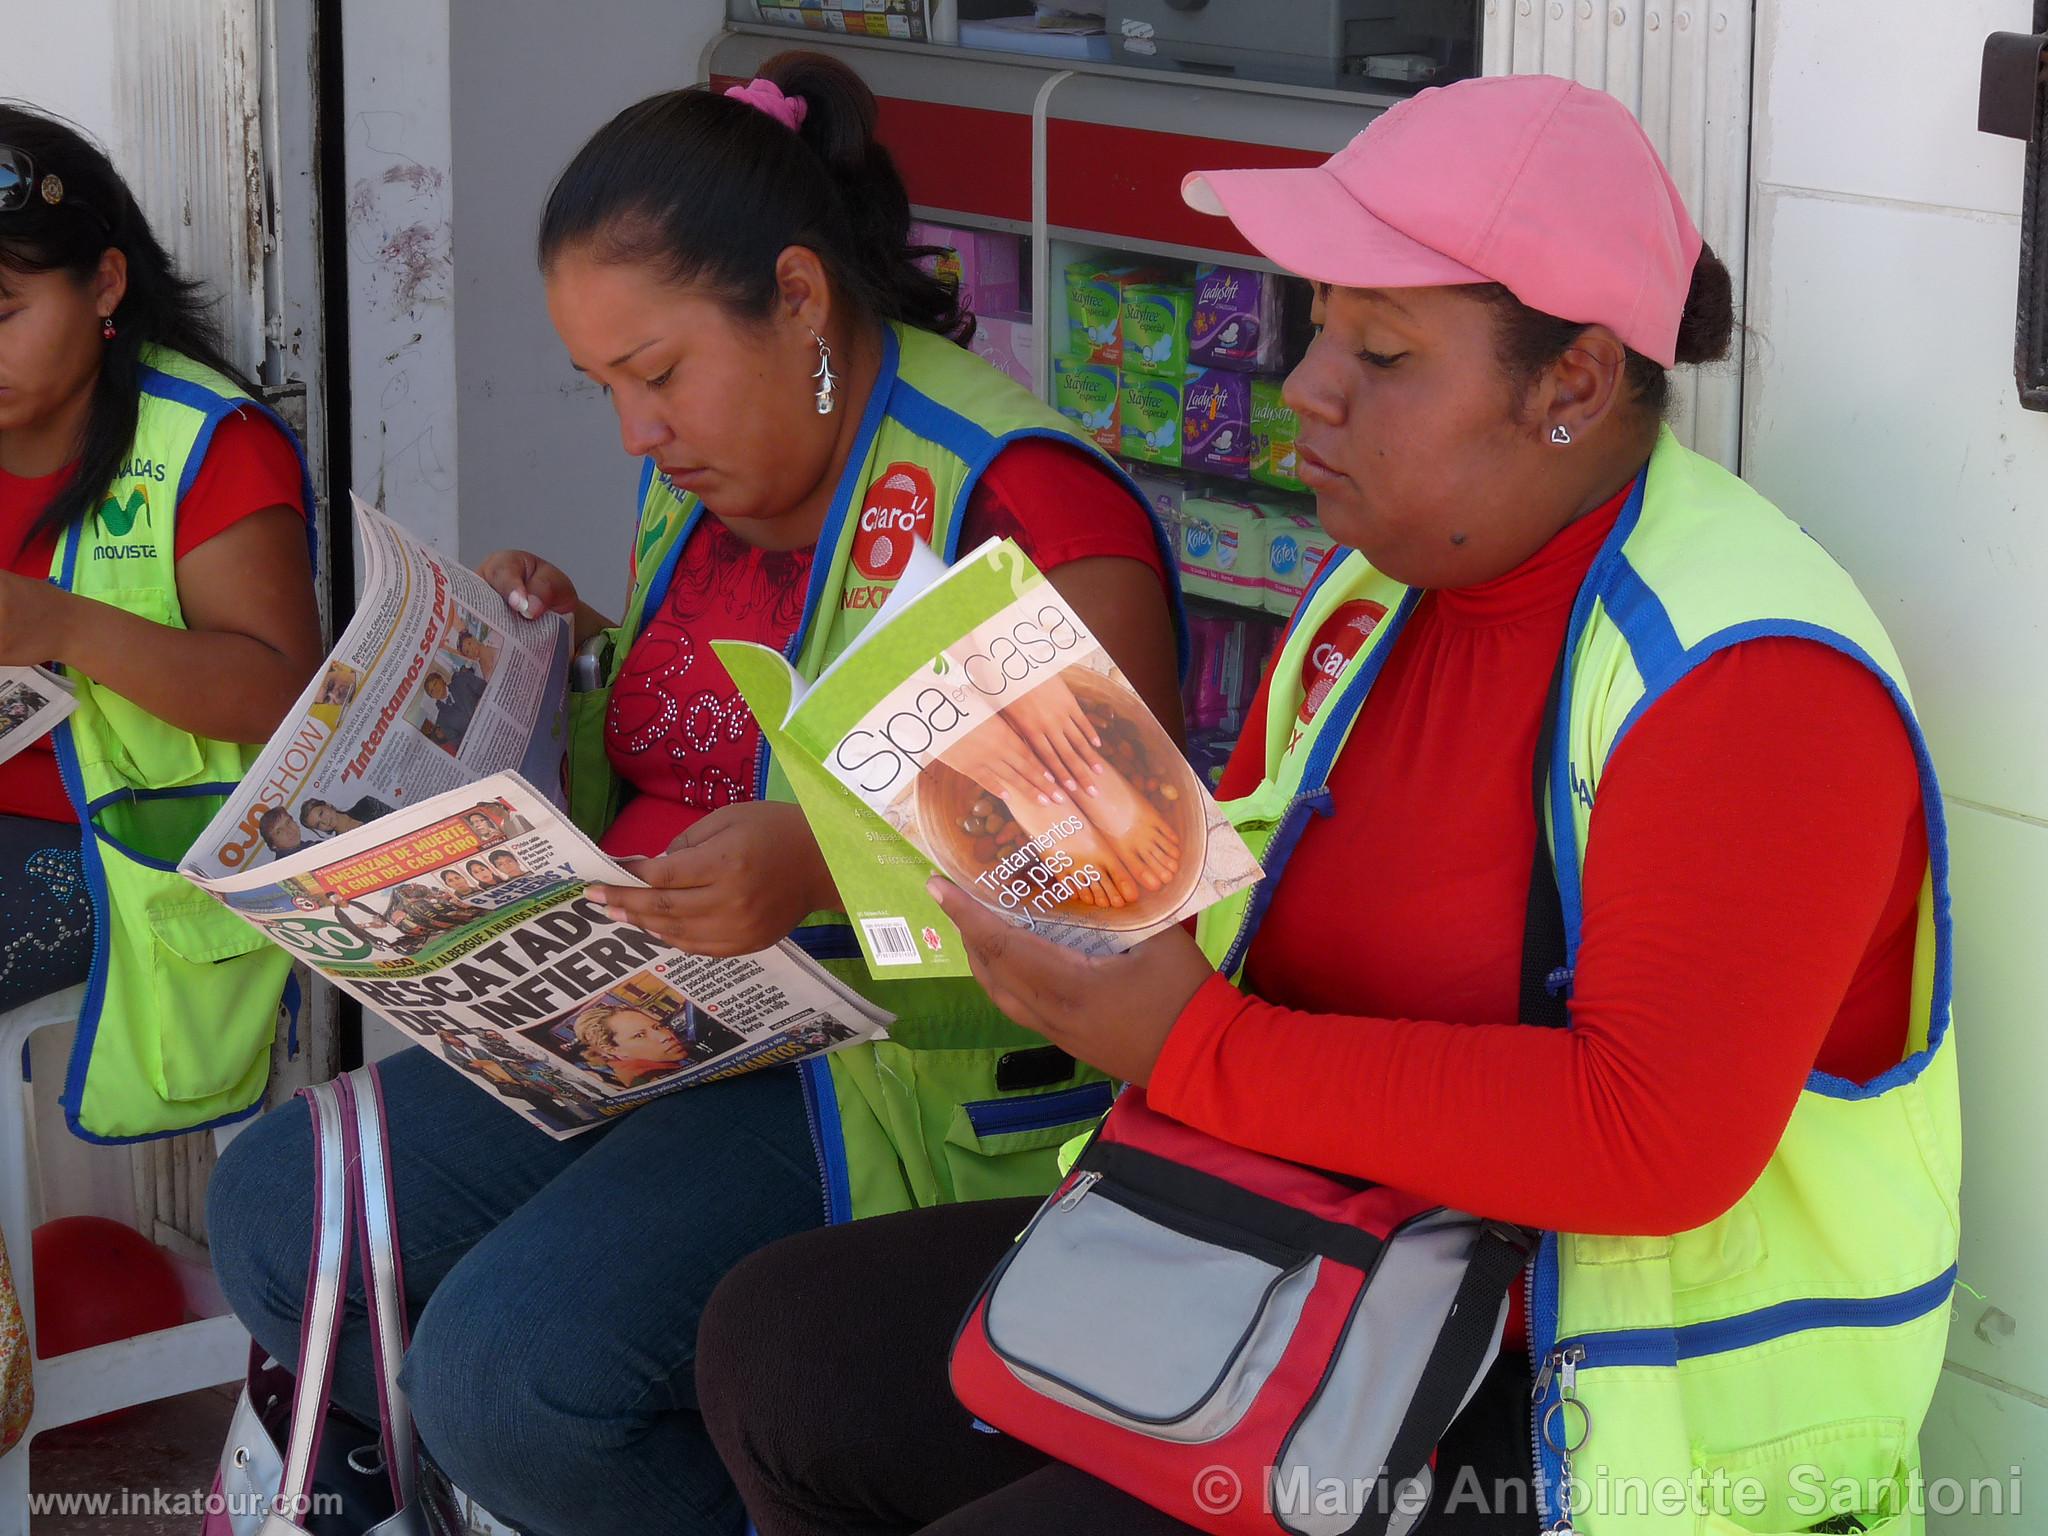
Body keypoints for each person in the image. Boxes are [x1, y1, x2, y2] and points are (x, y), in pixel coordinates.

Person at [695, 75, 1961, 1536]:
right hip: (1337, 1247)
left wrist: (1190, 1040)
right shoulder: (1383, 584)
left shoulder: (1748, 675)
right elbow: (1279, 937)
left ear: (1573, 383)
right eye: (1313, 326)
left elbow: (1649, 1138)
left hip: (1585, 1410)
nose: (1307, 385)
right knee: (787, 1349)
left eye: (1384, 349)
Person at [208, 50, 1184, 1536]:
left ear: (799, 297)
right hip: (658, 1015)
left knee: (511, 1377)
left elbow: (1120, 879)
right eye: (603, 387)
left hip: (885, 1074)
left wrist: (822, 864)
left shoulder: (1020, 503)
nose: (633, 433)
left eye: (656, 374)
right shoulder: (707, 475)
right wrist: (556, 670)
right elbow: (713, 733)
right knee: (287, 1208)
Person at [0, 107, 321, 1140]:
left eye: (0, 309)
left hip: (111, 848)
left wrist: (65, 623)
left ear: (103, 284)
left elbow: (281, 696)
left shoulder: (200, 443)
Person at [420, 663, 483, 749]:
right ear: (432, 697)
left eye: (435, 684)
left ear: (442, 680)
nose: (435, 689)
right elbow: (459, 744)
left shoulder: (461, 681)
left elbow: (484, 688)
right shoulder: (442, 721)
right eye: (431, 691)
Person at [300, 794, 393, 834]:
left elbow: (399, 818)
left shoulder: (367, 804)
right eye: (318, 825)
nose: (325, 822)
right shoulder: (340, 846)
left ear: (327, 805)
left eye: (321, 814)